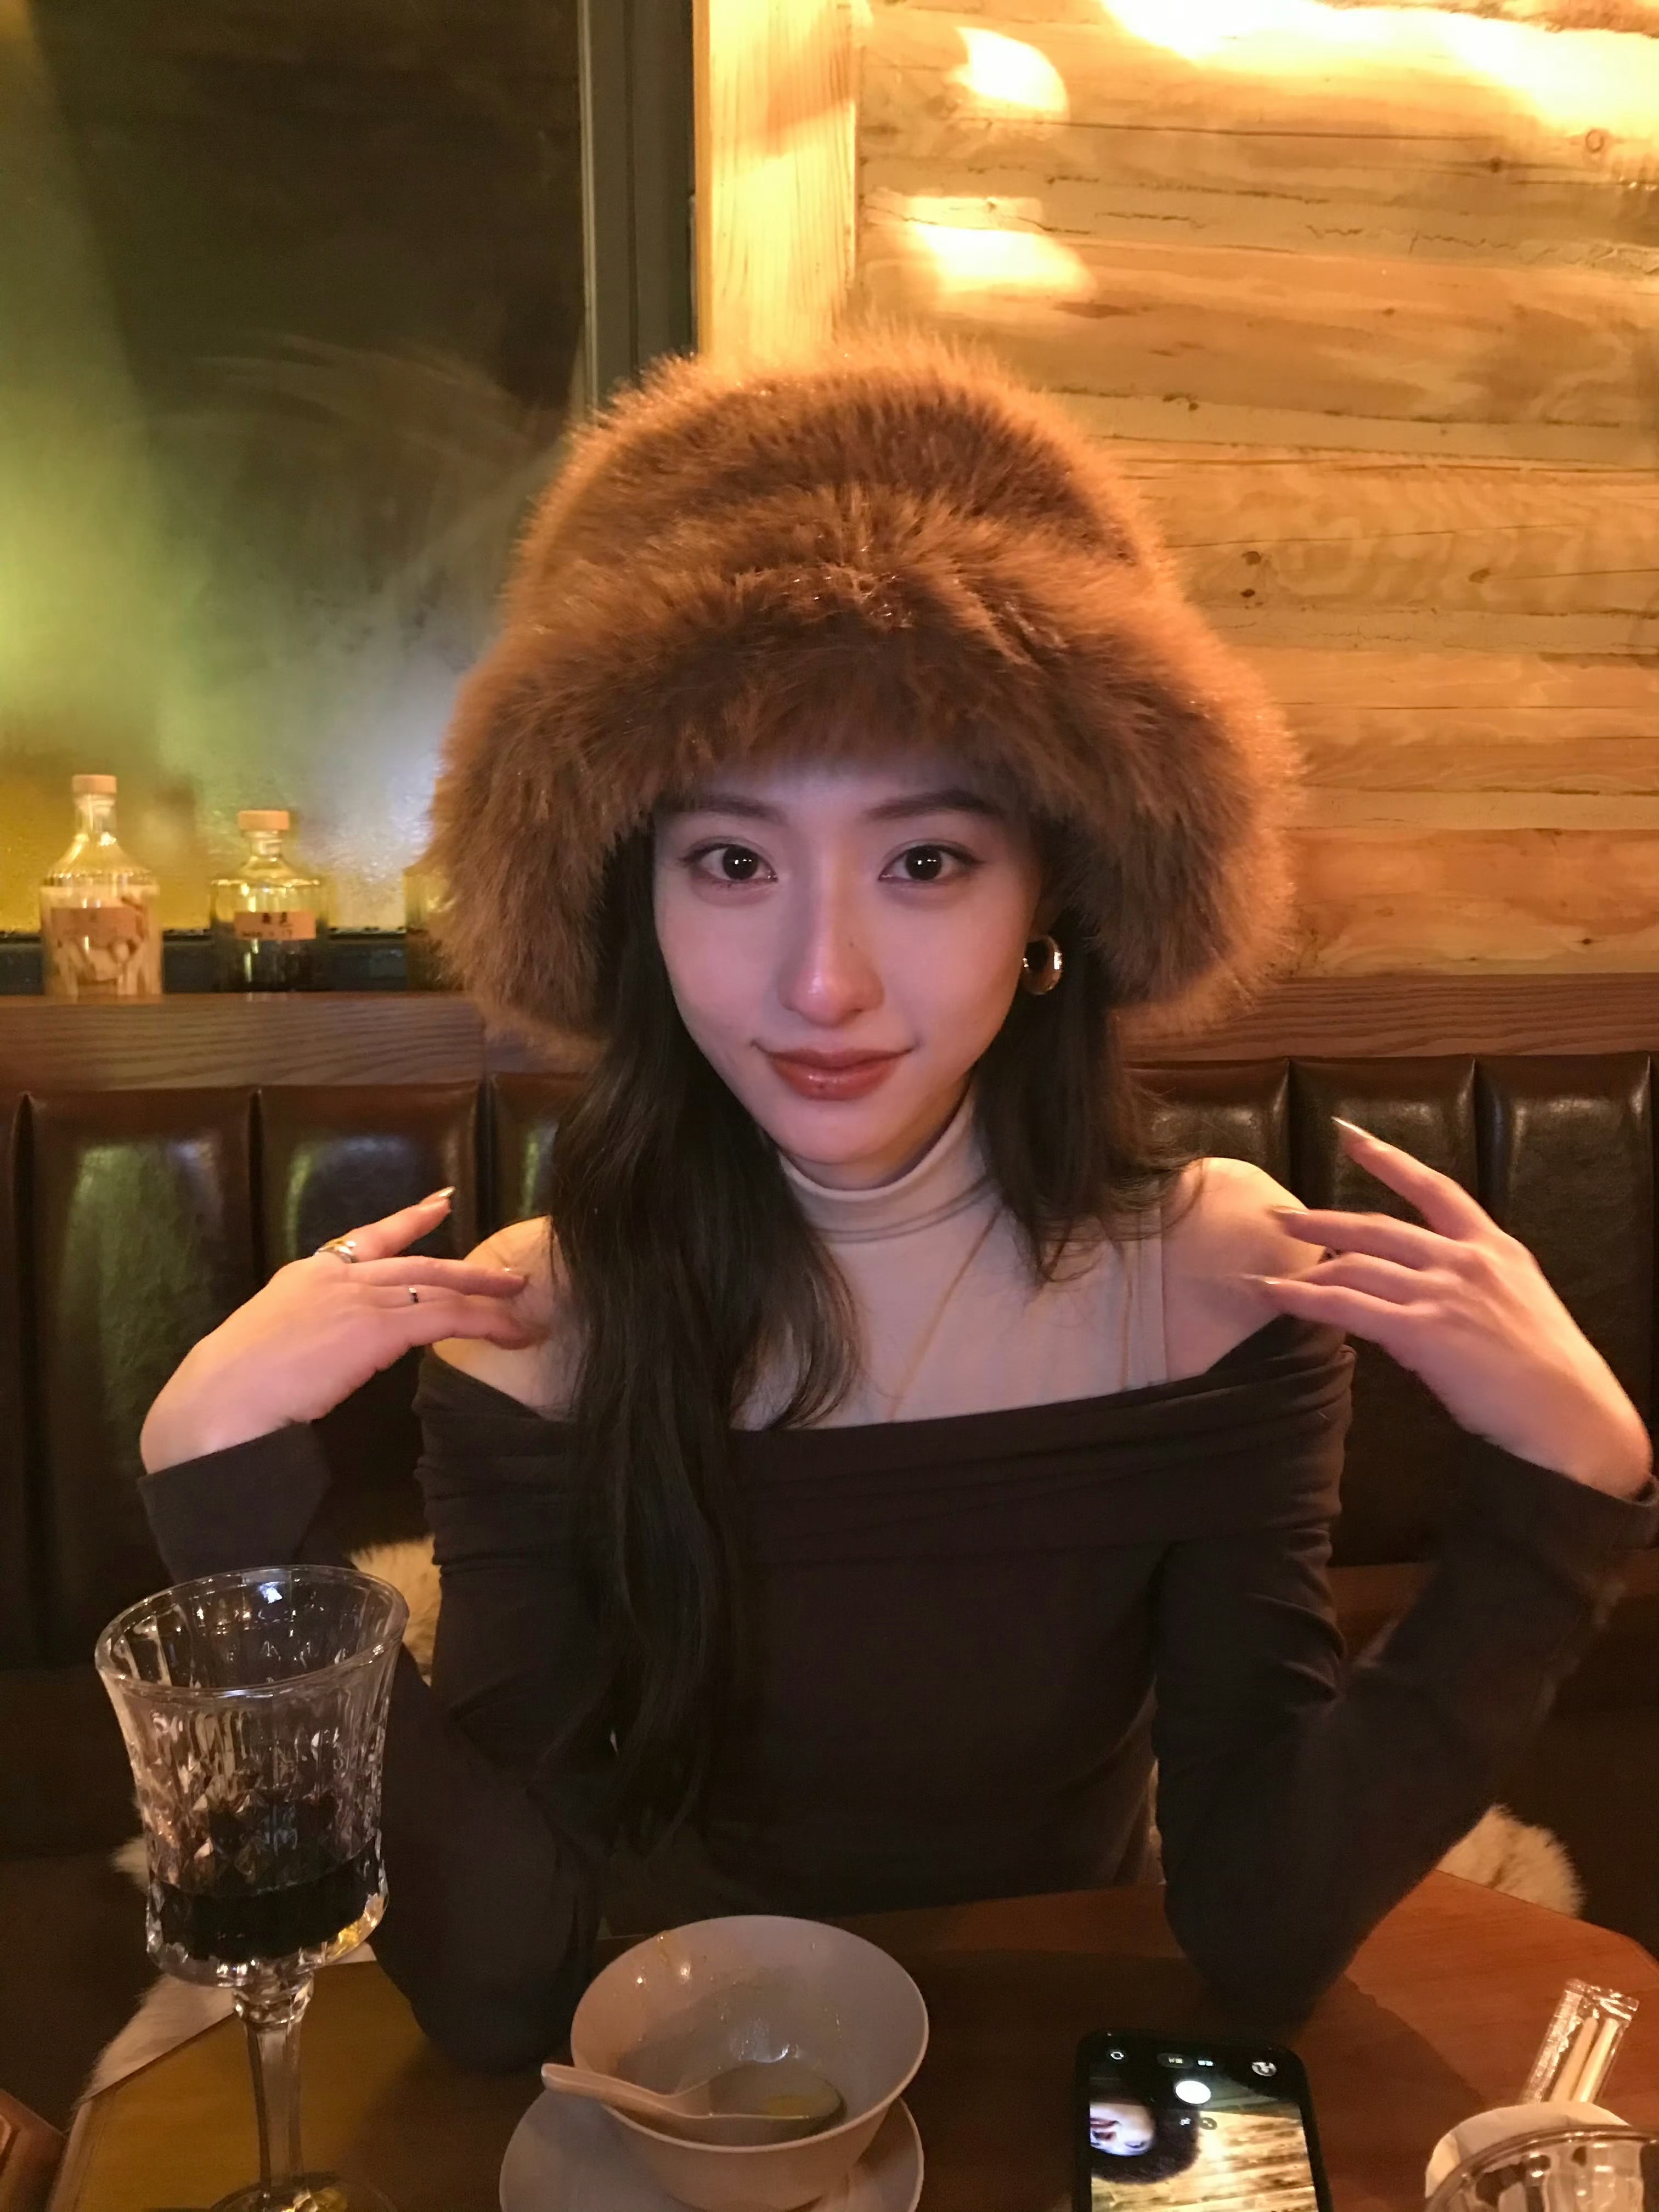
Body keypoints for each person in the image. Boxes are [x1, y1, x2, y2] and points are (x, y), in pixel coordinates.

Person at [137, 336, 1656, 2073]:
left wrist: (1566, 1493)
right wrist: (230, 1510)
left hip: (1053, 2053)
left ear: (1052, 896)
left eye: (926, 861)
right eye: (732, 862)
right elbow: (509, 1986)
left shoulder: (1207, 1283)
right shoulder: (543, 1322)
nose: (824, 981)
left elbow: (1256, 1920)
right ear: (634, 904)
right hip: (694, 2082)